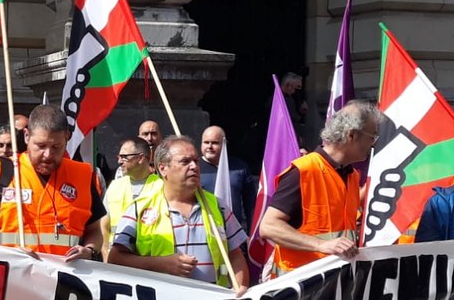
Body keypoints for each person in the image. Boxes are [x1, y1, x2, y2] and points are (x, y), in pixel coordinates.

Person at [0, 103, 107, 261]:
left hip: (66, 273)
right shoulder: (0, 171)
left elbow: (95, 229)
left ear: (67, 137)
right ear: (26, 136)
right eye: (41, 146)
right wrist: (4, 253)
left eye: (56, 147)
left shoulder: (82, 175)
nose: (47, 154)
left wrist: (89, 250)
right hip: (12, 271)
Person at [257, 99, 383, 275]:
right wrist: (322, 245)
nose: (374, 144)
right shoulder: (304, 171)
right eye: (372, 137)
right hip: (301, 283)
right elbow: (268, 226)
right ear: (352, 135)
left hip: (335, 281)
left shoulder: (352, 176)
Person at [108, 136, 250, 290]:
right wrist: (160, 264)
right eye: (185, 161)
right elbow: (115, 259)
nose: (194, 166)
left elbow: (235, 255)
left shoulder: (217, 206)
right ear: (163, 169)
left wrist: (240, 289)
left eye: (196, 161)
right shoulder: (139, 208)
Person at [199, 125, 252, 232]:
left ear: (224, 144)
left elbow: (251, 203)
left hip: (234, 232)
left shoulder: (240, 167)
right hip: (204, 231)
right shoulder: (194, 168)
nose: (209, 146)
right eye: (206, 142)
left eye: (214, 143)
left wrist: (252, 231)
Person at [104, 137, 160, 233]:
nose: (119, 161)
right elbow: (103, 224)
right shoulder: (114, 186)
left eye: (124, 157)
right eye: (119, 157)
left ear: (141, 158)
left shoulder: (162, 187)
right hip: (116, 242)